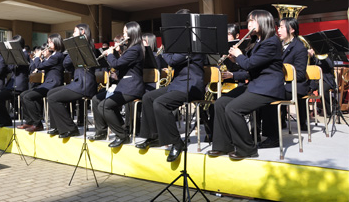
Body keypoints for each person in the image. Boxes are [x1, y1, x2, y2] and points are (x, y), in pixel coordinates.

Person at [208, 10, 285, 160]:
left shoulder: (271, 42)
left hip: (268, 88)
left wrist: (239, 55)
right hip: (256, 85)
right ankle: (223, 145)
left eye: (253, 21)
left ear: (264, 22)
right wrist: (235, 61)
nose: (249, 24)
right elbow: (250, 68)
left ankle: (247, 148)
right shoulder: (257, 42)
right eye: (248, 21)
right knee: (220, 103)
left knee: (233, 109)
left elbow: (249, 64)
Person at [136, 26, 205, 162]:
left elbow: (172, 61)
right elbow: (165, 62)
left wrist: (165, 49)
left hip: (191, 85)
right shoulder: (180, 46)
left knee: (160, 103)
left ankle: (176, 142)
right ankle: (154, 136)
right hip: (177, 84)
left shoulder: (193, 44)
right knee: (148, 97)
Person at [88, 21, 144, 148]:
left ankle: (122, 135)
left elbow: (117, 64)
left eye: (125, 32)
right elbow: (120, 68)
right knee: (96, 100)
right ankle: (101, 131)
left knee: (105, 106)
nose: (123, 36)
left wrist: (110, 54)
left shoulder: (135, 49)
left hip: (132, 87)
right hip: (123, 86)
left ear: (132, 33)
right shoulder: (129, 49)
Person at [259, 17, 309, 148]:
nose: (278, 30)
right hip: (280, 84)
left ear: (291, 29)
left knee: (268, 96)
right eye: (278, 27)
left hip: (294, 87)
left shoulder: (300, 48)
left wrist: (277, 77)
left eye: (281, 27)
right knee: (258, 93)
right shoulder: (278, 45)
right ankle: (257, 131)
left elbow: (299, 74)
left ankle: (273, 137)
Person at [47, 24, 97, 138]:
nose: (73, 34)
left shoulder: (85, 46)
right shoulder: (84, 46)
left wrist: (71, 48)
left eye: (74, 32)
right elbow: (67, 64)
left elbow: (67, 63)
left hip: (84, 85)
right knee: (50, 93)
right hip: (78, 83)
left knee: (53, 98)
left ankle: (71, 128)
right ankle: (57, 126)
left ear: (82, 32)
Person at [17, 34, 65, 132]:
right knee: (23, 95)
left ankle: (37, 123)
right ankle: (30, 120)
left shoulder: (58, 55)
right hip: (47, 83)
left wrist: (38, 57)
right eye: (48, 42)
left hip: (53, 84)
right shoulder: (53, 56)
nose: (48, 44)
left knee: (28, 97)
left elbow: (40, 66)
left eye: (50, 42)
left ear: (56, 42)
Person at [0, 35, 30, 127]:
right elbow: (9, 68)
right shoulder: (15, 54)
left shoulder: (24, 54)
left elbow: (15, 66)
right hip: (12, 85)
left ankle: (6, 120)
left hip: (19, 85)